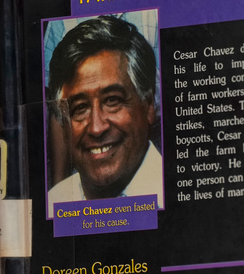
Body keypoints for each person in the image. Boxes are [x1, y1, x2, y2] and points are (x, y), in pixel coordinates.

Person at [45, 15, 163, 216]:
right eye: (80, 108)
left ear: (149, 105)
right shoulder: (55, 204)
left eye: (112, 101)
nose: (96, 127)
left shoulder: (173, 194)